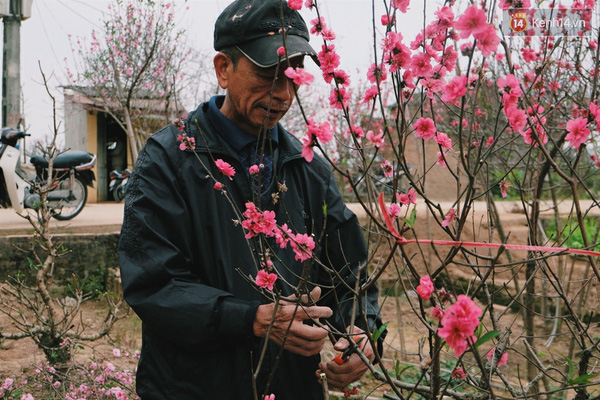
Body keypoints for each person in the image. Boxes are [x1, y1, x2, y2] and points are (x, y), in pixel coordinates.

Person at [118, 1, 384, 399]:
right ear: (224, 68)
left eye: (292, 75)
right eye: (266, 74)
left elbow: (349, 275)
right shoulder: (168, 160)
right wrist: (250, 319)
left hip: (292, 386)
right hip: (193, 386)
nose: (281, 93)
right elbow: (154, 283)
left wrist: (364, 332)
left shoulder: (306, 166)